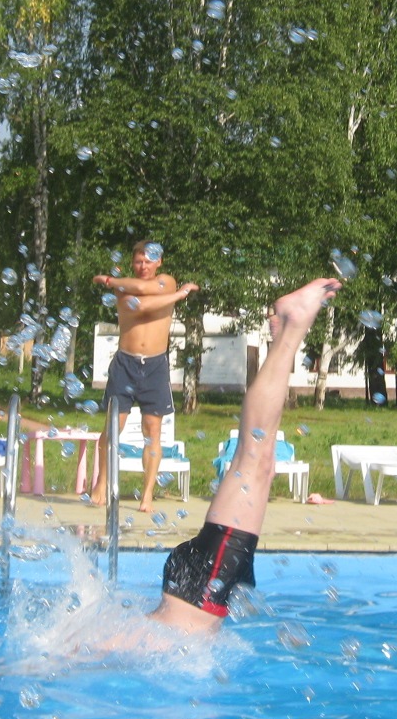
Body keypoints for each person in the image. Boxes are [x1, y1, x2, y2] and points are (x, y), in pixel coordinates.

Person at [150, 277, 341, 633]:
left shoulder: (100, 647)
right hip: (195, 595)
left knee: (255, 461)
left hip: (196, 593)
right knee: (260, 467)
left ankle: (292, 328)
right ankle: (284, 338)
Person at [89, 241, 198, 512]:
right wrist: (178, 296)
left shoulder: (166, 281)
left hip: (155, 366)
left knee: (153, 431)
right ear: (132, 262)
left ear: (159, 262)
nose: (143, 266)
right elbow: (140, 306)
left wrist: (112, 281)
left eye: (149, 261)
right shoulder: (124, 288)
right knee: (113, 427)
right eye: (139, 261)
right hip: (125, 363)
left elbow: (152, 292)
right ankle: (101, 482)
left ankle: (147, 494)